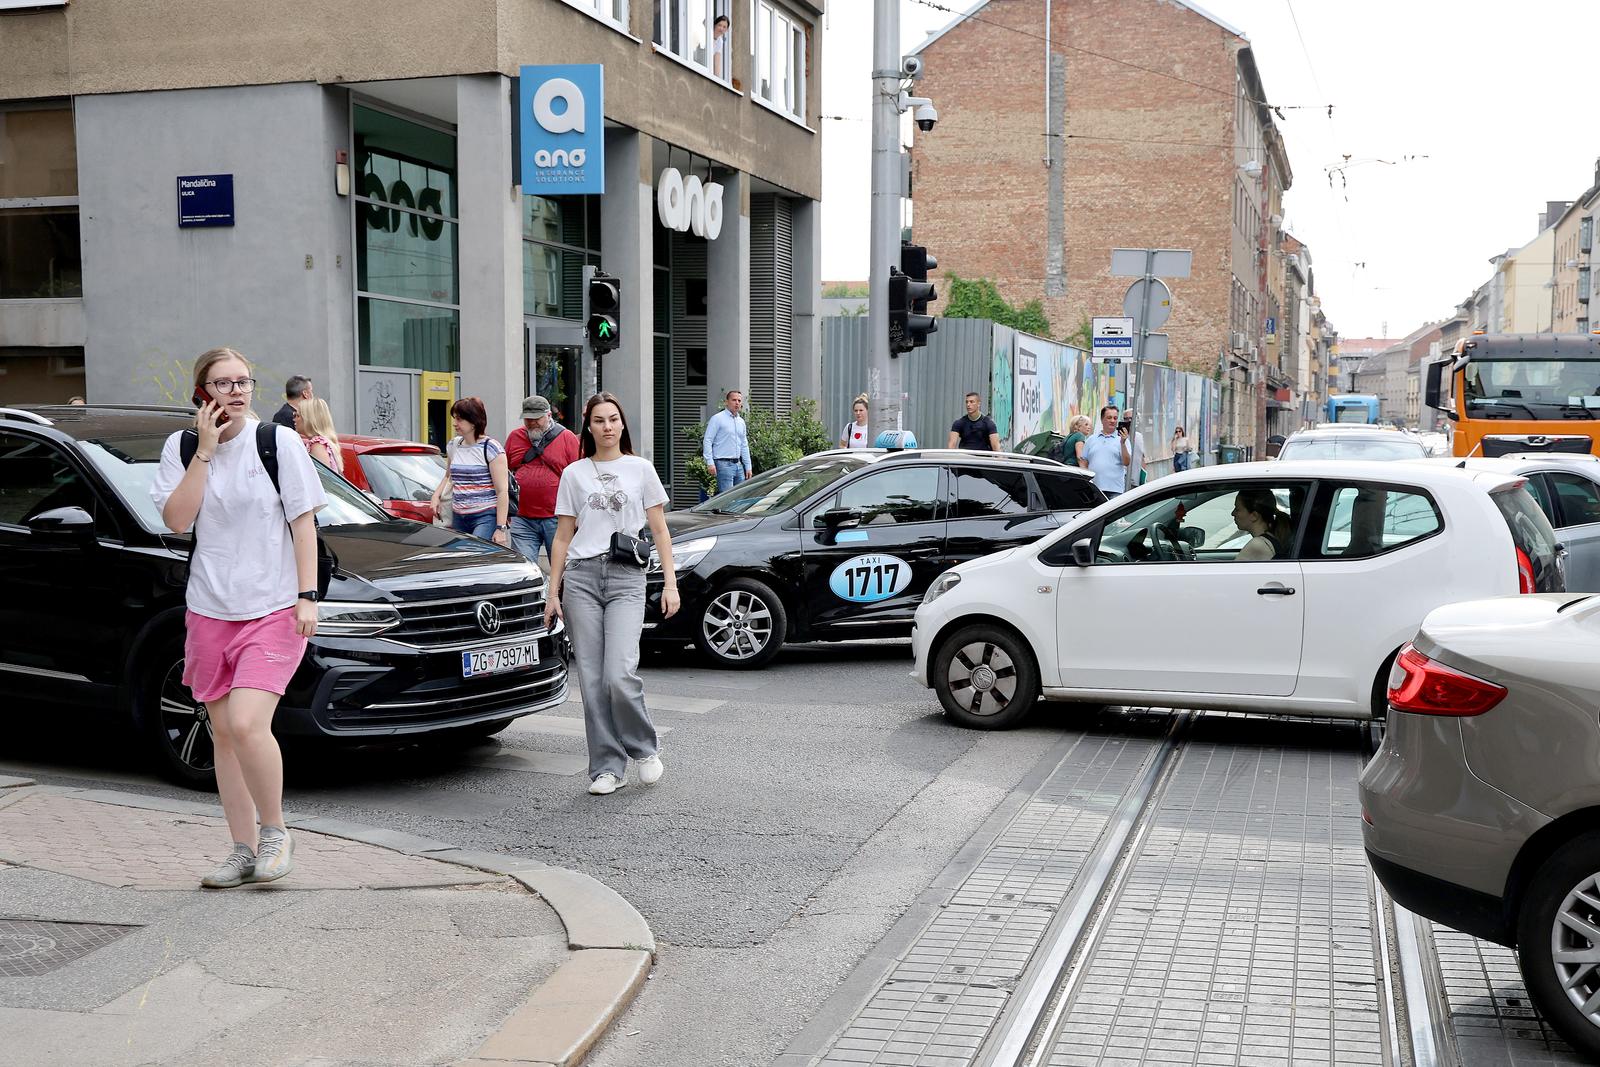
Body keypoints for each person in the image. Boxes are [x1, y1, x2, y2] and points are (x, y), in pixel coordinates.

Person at [150, 347, 326, 889]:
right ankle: (241, 849)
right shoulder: (181, 447)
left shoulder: (279, 442)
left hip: (272, 606)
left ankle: (275, 832)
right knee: (222, 733)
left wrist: (307, 595)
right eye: (223, 384)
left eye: (244, 382)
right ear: (202, 393)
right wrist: (203, 453)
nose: (237, 391)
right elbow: (177, 521)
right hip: (210, 608)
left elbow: (303, 524)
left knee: (249, 723)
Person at [544, 392, 680, 797]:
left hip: (626, 578)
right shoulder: (574, 474)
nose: (607, 426)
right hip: (582, 579)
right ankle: (606, 766)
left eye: (613, 419)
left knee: (619, 674)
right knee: (591, 679)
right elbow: (562, 537)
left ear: (623, 424)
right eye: (599, 420)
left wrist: (670, 583)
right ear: (589, 426)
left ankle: (643, 748)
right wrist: (554, 592)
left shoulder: (640, 469)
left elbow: (659, 531)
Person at [506, 394, 581, 566]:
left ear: (548, 415)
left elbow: (579, 478)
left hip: (556, 517)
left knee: (561, 568)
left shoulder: (566, 438)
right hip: (521, 517)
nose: (531, 423)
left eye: (536, 419)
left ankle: (556, 594)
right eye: (527, 419)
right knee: (524, 569)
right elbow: (504, 472)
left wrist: (577, 515)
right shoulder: (515, 437)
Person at [430, 396, 511, 546]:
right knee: (462, 560)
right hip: (459, 515)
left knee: (473, 553)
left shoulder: (491, 448)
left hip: (485, 516)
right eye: (454, 418)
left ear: (474, 421)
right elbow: (449, 476)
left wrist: (500, 528)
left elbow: (502, 491)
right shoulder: (454, 445)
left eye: (460, 419)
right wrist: (436, 496)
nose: (455, 424)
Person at [702, 389, 751, 493]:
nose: (737, 403)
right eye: (734, 400)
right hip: (723, 464)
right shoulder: (717, 419)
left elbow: (744, 445)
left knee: (740, 496)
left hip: (738, 464)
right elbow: (708, 440)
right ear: (726, 402)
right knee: (727, 496)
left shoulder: (741, 422)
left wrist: (748, 466)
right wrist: (709, 462)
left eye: (739, 400)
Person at [1081, 405, 1132, 497]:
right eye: (1109, 418)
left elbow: (1126, 462)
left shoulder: (1123, 440)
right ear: (1102, 420)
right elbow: (1083, 461)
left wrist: (1123, 443)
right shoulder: (1091, 439)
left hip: (1115, 490)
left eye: (1115, 418)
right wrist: (1086, 480)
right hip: (1094, 489)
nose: (1112, 421)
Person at [1233, 488, 1292, 561]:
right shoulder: (1271, 539)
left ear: (1254, 516)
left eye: (1237, 509)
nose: (1233, 513)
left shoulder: (1257, 545)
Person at [295, 396, 340, 469]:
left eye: (297, 415)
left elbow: (321, 478)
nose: (294, 419)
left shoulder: (318, 446)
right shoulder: (321, 443)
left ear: (308, 419)